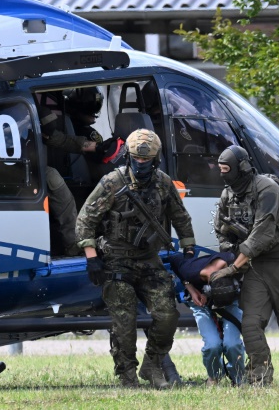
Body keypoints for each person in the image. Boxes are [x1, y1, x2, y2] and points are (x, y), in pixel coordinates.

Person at [75, 128, 196, 389]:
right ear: (128, 157)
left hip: (148, 259)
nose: (141, 164)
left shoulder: (163, 183)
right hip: (116, 259)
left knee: (168, 316)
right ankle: (127, 376)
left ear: (156, 159)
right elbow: (85, 219)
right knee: (124, 322)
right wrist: (91, 256)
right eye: (137, 159)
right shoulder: (112, 182)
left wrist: (188, 248)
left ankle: (152, 365)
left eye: (147, 160)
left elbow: (180, 217)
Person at [210, 145, 279, 386]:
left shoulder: (268, 189)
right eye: (221, 170)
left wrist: (234, 268)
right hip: (255, 265)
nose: (224, 174)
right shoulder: (228, 195)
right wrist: (229, 252)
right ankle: (260, 376)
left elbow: (262, 234)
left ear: (242, 168)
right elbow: (220, 229)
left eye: (228, 169)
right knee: (251, 322)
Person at [169, 247, 246, 386]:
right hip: (202, 303)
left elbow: (249, 253)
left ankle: (239, 379)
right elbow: (175, 261)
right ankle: (214, 377)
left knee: (232, 344)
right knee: (212, 345)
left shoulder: (232, 260)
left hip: (230, 301)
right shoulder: (190, 271)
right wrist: (191, 289)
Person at [37, 91, 100, 256]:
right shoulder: (20, 114)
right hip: (21, 170)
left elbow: (60, 139)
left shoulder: (21, 113)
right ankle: (73, 247)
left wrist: (95, 147)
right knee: (59, 189)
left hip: (25, 168)